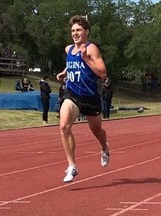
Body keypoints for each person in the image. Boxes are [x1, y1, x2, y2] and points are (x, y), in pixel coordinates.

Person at [56, 15, 110, 183]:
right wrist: (65, 72)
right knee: (64, 126)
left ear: (86, 31)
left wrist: (86, 58)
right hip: (72, 94)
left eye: (78, 30)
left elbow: (102, 73)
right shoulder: (68, 49)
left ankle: (104, 147)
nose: (75, 33)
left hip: (90, 97)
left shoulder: (91, 48)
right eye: (73, 30)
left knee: (97, 131)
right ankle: (72, 165)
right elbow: (72, 62)